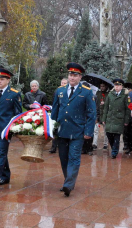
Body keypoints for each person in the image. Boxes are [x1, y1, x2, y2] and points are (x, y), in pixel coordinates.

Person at [51, 62, 96, 197]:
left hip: (77, 131)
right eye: (70, 74)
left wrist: (88, 132)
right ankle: (68, 180)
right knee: (63, 158)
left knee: (74, 158)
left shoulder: (86, 92)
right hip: (62, 130)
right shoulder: (60, 91)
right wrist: (51, 129)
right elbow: (55, 111)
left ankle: (68, 185)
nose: (72, 77)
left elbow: (91, 114)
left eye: (75, 75)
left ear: (80, 77)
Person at [102, 79, 130, 159]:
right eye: (115, 85)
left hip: (119, 119)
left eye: (118, 85)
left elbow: (127, 109)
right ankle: (114, 148)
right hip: (110, 118)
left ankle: (114, 152)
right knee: (109, 134)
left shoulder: (125, 95)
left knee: (116, 136)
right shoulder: (110, 94)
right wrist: (104, 118)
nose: (117, 87)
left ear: (122, 86)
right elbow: (106, 107)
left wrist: (126, 120)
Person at [49, 78, 69, 154]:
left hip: (65, 115)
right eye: (62, 82)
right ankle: (53, 147)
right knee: (55, 131)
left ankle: (62, 147)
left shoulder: (68, 91)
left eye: (64, 83)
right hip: (57, 114)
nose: (63, 84)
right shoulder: (57, 91)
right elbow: (55, 103)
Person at [93, 83, 109, 150]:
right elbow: (95, 103)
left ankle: (105, 144)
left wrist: (104, 104)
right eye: (101, 86)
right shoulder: (98, 93)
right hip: (98, 113)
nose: (102, 87)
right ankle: (94, 143)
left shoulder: (108, 94)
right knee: (96, 130)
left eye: (103, 86)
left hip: (105, 114)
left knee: (105, 130)